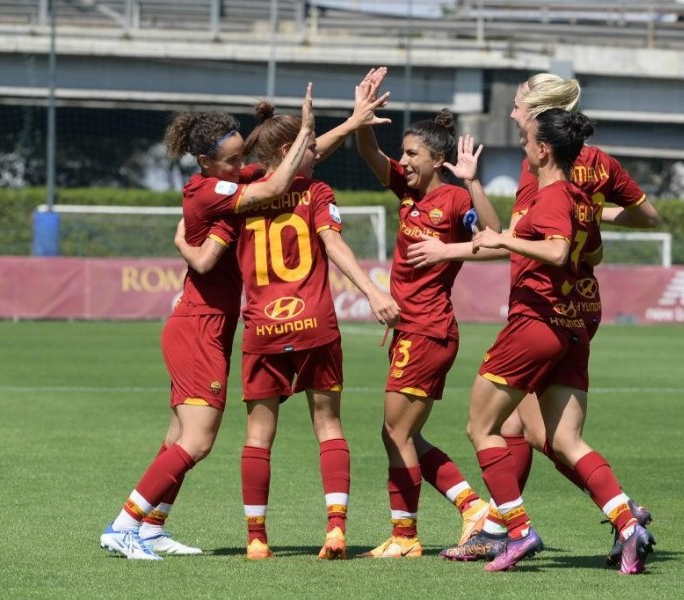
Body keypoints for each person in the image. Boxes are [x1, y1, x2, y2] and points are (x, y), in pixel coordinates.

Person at [408, 73, 657, 569]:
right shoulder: (589, 174)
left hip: (539, 314)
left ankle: (512, 529)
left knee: (487, 426)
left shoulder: (544, 179)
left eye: (521, 107)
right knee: (551, 437)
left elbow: (521, 240)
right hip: (578, 313)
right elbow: (620, 227)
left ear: (542, 130)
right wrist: (475, 191)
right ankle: (621, 517)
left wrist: (453, 248)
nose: (514, 114)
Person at [99, 84, 318, 561]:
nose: (243, 167)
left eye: (244, 158)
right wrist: (303, 127)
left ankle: (152, 529)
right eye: (233, 162)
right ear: (205, 162)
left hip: (202, 326)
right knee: (198, 442)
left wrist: (351, 122)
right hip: (197, 327)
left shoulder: (230, 184)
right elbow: (278, 185)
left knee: (178, 439)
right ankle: (123, 525)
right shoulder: (209, 193)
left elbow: (293, 165)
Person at [176, 99, 400, 561]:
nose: (315, 152)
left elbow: (304, 153)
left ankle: (256, 538)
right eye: (306, 147)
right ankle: (335, 529)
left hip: (263, 331)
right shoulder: (315, 191)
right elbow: (333, 245)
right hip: (316, 322)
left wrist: (182, 238)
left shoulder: (241, 190)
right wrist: (373, 292)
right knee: (329, 425)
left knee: (259, 436)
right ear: (286, 154)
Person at [352, 107, 501, 558]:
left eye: (412, 153)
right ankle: (472, 509)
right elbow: (368, 151)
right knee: (403, 435)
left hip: (429, 330)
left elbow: (495, 237)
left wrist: (449, 242)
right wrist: (361, 118)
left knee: (395, 435)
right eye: (403, 152)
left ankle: (405, 537)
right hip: (410, 330)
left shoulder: (455, 201)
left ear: (438, 160)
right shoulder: (405, 187)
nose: (404, 160)